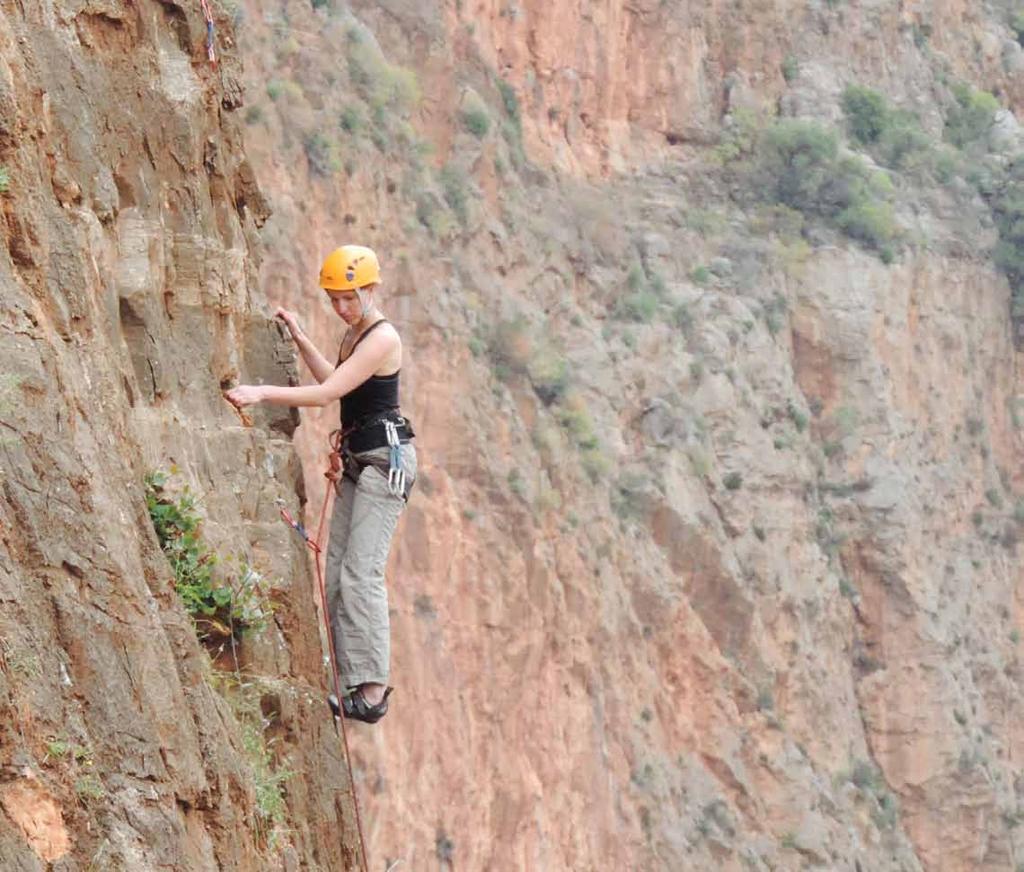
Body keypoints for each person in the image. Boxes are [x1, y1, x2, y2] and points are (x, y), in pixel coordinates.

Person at [225, 244, 416, 724]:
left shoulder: (382, 337)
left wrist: (262, 392)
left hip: (383, 462)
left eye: (348, 297)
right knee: (335, 571)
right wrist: (302, 339)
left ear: (370, 289)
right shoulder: (356, 335)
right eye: (334, 298)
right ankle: (349, 680)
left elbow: (330, 393)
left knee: (361, 572)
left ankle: (371, 695)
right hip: (360, 460)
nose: (341, 307)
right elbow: (338, 379)